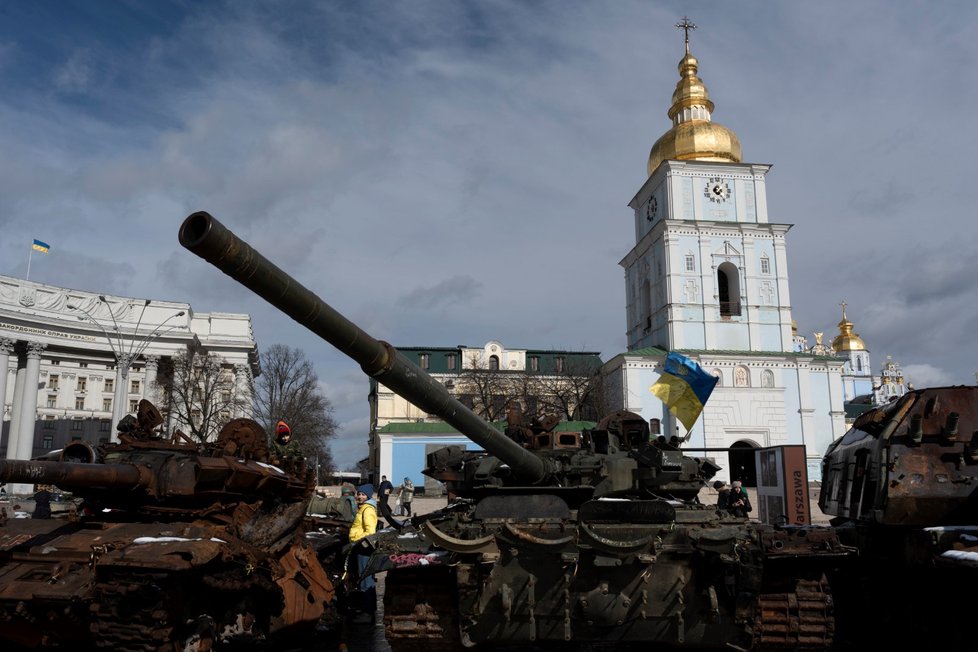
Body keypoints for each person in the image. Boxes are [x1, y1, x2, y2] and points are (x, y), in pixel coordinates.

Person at [348, 483, 378, 624]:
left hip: (364, 549)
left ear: (368, 496)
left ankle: (367, 613)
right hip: (360, 547)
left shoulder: (368, 509)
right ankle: (366, 609)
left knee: (366, 580)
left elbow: (370, 531)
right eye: (358, 494)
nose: (359, 496)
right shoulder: (363, 508)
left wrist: (358, 541)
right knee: (363, 578)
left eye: (363, 494)